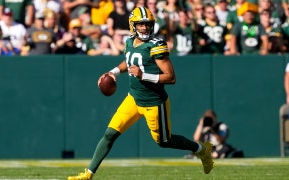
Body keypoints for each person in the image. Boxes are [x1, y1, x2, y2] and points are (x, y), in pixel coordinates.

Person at [67, 7, 214, 180]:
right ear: (133, 25)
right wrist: (113, 72)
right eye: (141, 24)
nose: (144, 28)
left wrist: (143, 75)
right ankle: (88, 174)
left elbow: (171, 77)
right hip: (134, 98)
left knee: (164, 142)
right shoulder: (129, 41)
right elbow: (129, 61)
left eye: (147, 24)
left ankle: (202, 150)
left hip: (154, 103)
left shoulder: (156, 45)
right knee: (110, 134)